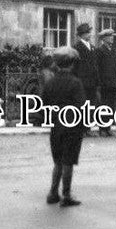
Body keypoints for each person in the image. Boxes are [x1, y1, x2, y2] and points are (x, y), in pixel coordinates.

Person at [42, 46, 85, 207]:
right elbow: (81, 107)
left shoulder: (51, 82)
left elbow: (44, 103)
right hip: (72, 127)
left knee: (58, 161)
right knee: (68, 162)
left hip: (56, 126)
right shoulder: (75, 83)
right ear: (72, 64)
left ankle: (53, 193)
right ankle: (66, 195)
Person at [72, 24, 98, 131]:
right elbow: (75, 67)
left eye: (89, 32)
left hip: (92, 82)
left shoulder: (92, 47)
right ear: (81, 35)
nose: (89, 34)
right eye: (87, 33)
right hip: (82, 81)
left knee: (91, 105)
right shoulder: (76, 48)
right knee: (82, 105)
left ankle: (87, 127)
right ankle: (82, 128)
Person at [94, 29, 116, 137]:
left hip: (112, 83)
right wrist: (99, 82)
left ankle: (108, 128)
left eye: (112, 36)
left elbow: (115, 67)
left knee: (111, 106)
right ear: (103, 39)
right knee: (103, 106)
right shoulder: (99, 50)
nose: (111, 38)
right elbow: (97, 68)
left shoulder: (113, 50)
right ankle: (102, 129)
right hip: (104, 83)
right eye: (109, 37)